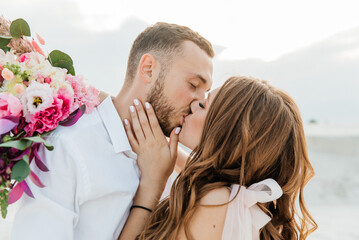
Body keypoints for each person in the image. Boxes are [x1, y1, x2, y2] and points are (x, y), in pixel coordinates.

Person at [11, 22, 214, 240]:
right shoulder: (69, 146)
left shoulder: (172, 176)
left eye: (206, 93)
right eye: (193, 85)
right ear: (148, 69)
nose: (198, 103)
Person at [124, 76, 317, 240]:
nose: (192, 104)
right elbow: (198, 170)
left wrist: (152, 183)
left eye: (203, 105)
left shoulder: (217, 201)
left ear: (227, 134)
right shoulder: (235, 198)